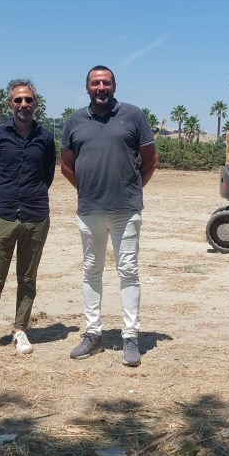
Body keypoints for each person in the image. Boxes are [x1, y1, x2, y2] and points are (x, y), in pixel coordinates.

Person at [60, 65, 158, 367]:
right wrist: (89, 189)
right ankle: (92, 333)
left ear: (114, 86)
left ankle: (130, 337)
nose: (100, 87)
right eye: (95, 83)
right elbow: (66, 166)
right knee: (91, 269)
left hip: (125, 211)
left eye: (106, 82)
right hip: (89, 210)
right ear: (87, 87)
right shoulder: (74, 120)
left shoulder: (133, 115)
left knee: (128, 271)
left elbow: (150, 161)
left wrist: (129, 190)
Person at [0, 79, 55, 358]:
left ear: (35, 104)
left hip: (36, 216)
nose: (23, 105)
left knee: (27, 278)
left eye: (28, 100)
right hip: (2, 215)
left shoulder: (46, 137)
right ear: (9, 104)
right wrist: (8, 196)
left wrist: (30, 196)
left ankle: (19, 330)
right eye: (18, 100)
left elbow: (48, 174)